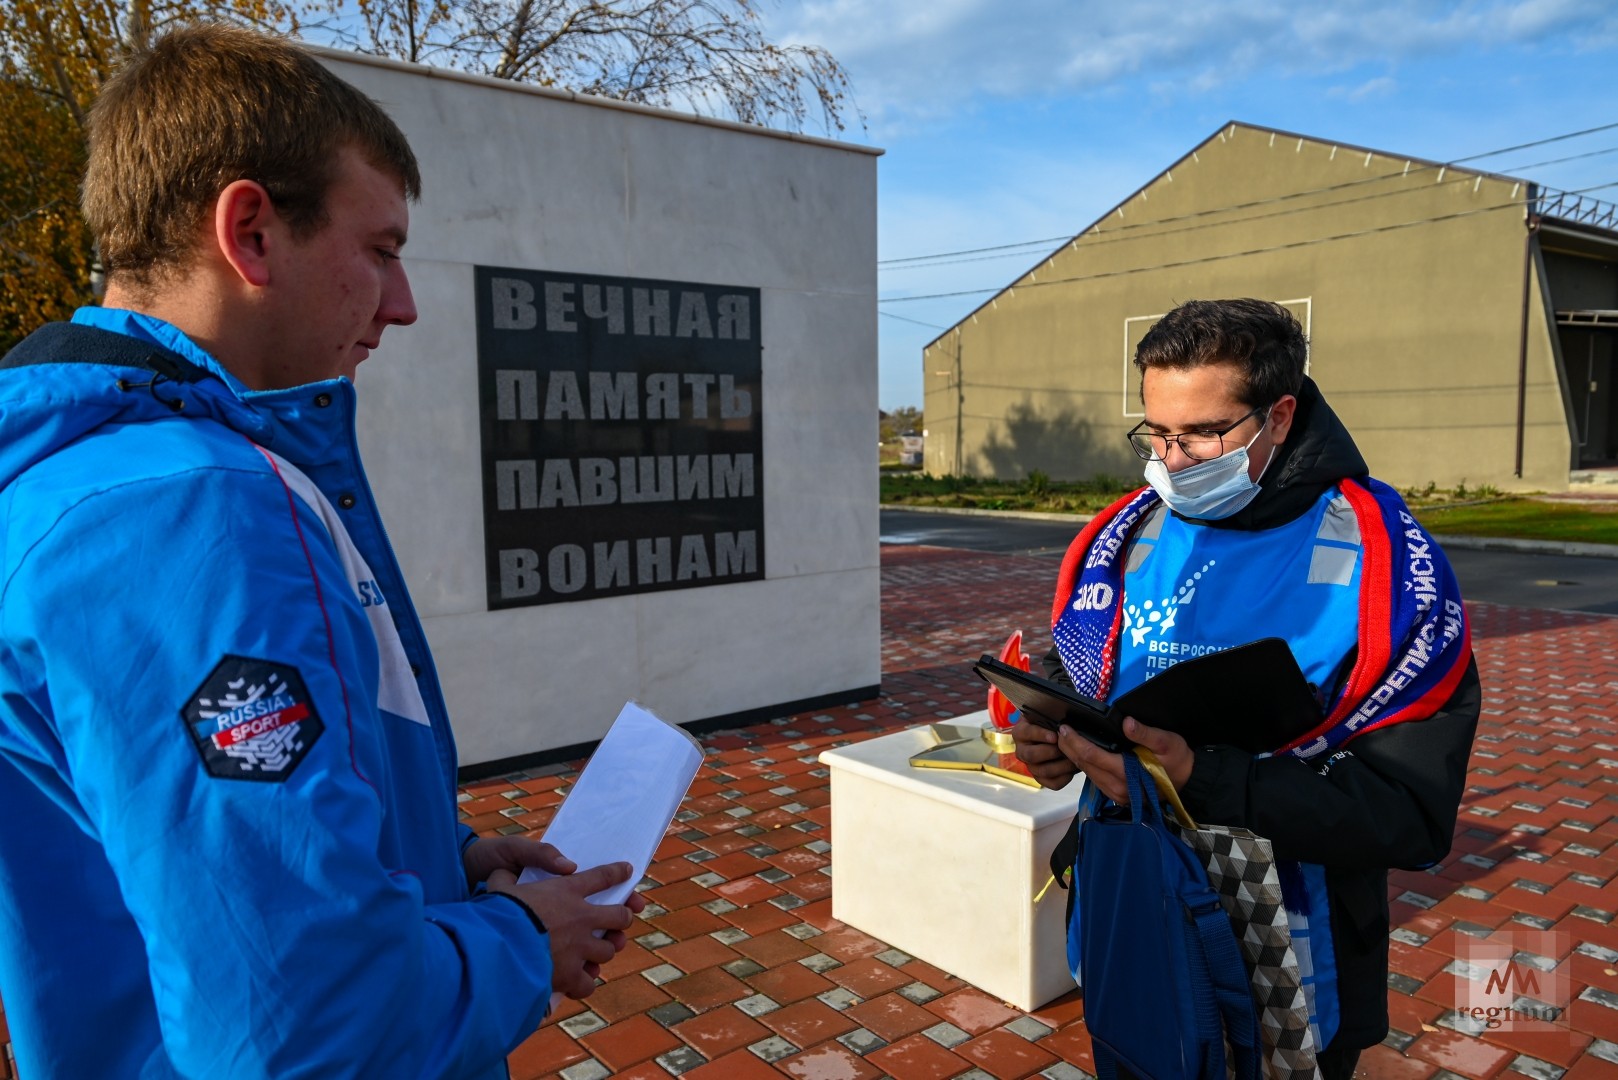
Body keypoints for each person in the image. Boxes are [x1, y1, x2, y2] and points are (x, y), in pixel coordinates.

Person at [0, 24, 641, 1079]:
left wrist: (450, 858)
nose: (405, 302)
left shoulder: (83, 475)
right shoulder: (189, 510)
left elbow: (175, 846)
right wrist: (525, 939)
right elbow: (306, 1026)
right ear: (250, 231)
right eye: (381, 249)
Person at [1015, 299, 1480, 1080]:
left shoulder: (1389, 565)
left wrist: (1202, 778)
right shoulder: (1127, 536)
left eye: (1203, 433)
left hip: (1296, 955)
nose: (1174, 459)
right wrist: (1052, 744)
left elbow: (1411, 816)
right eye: (1157, 433)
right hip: (1132, 914)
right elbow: (1080, 678)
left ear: (1280, 414)